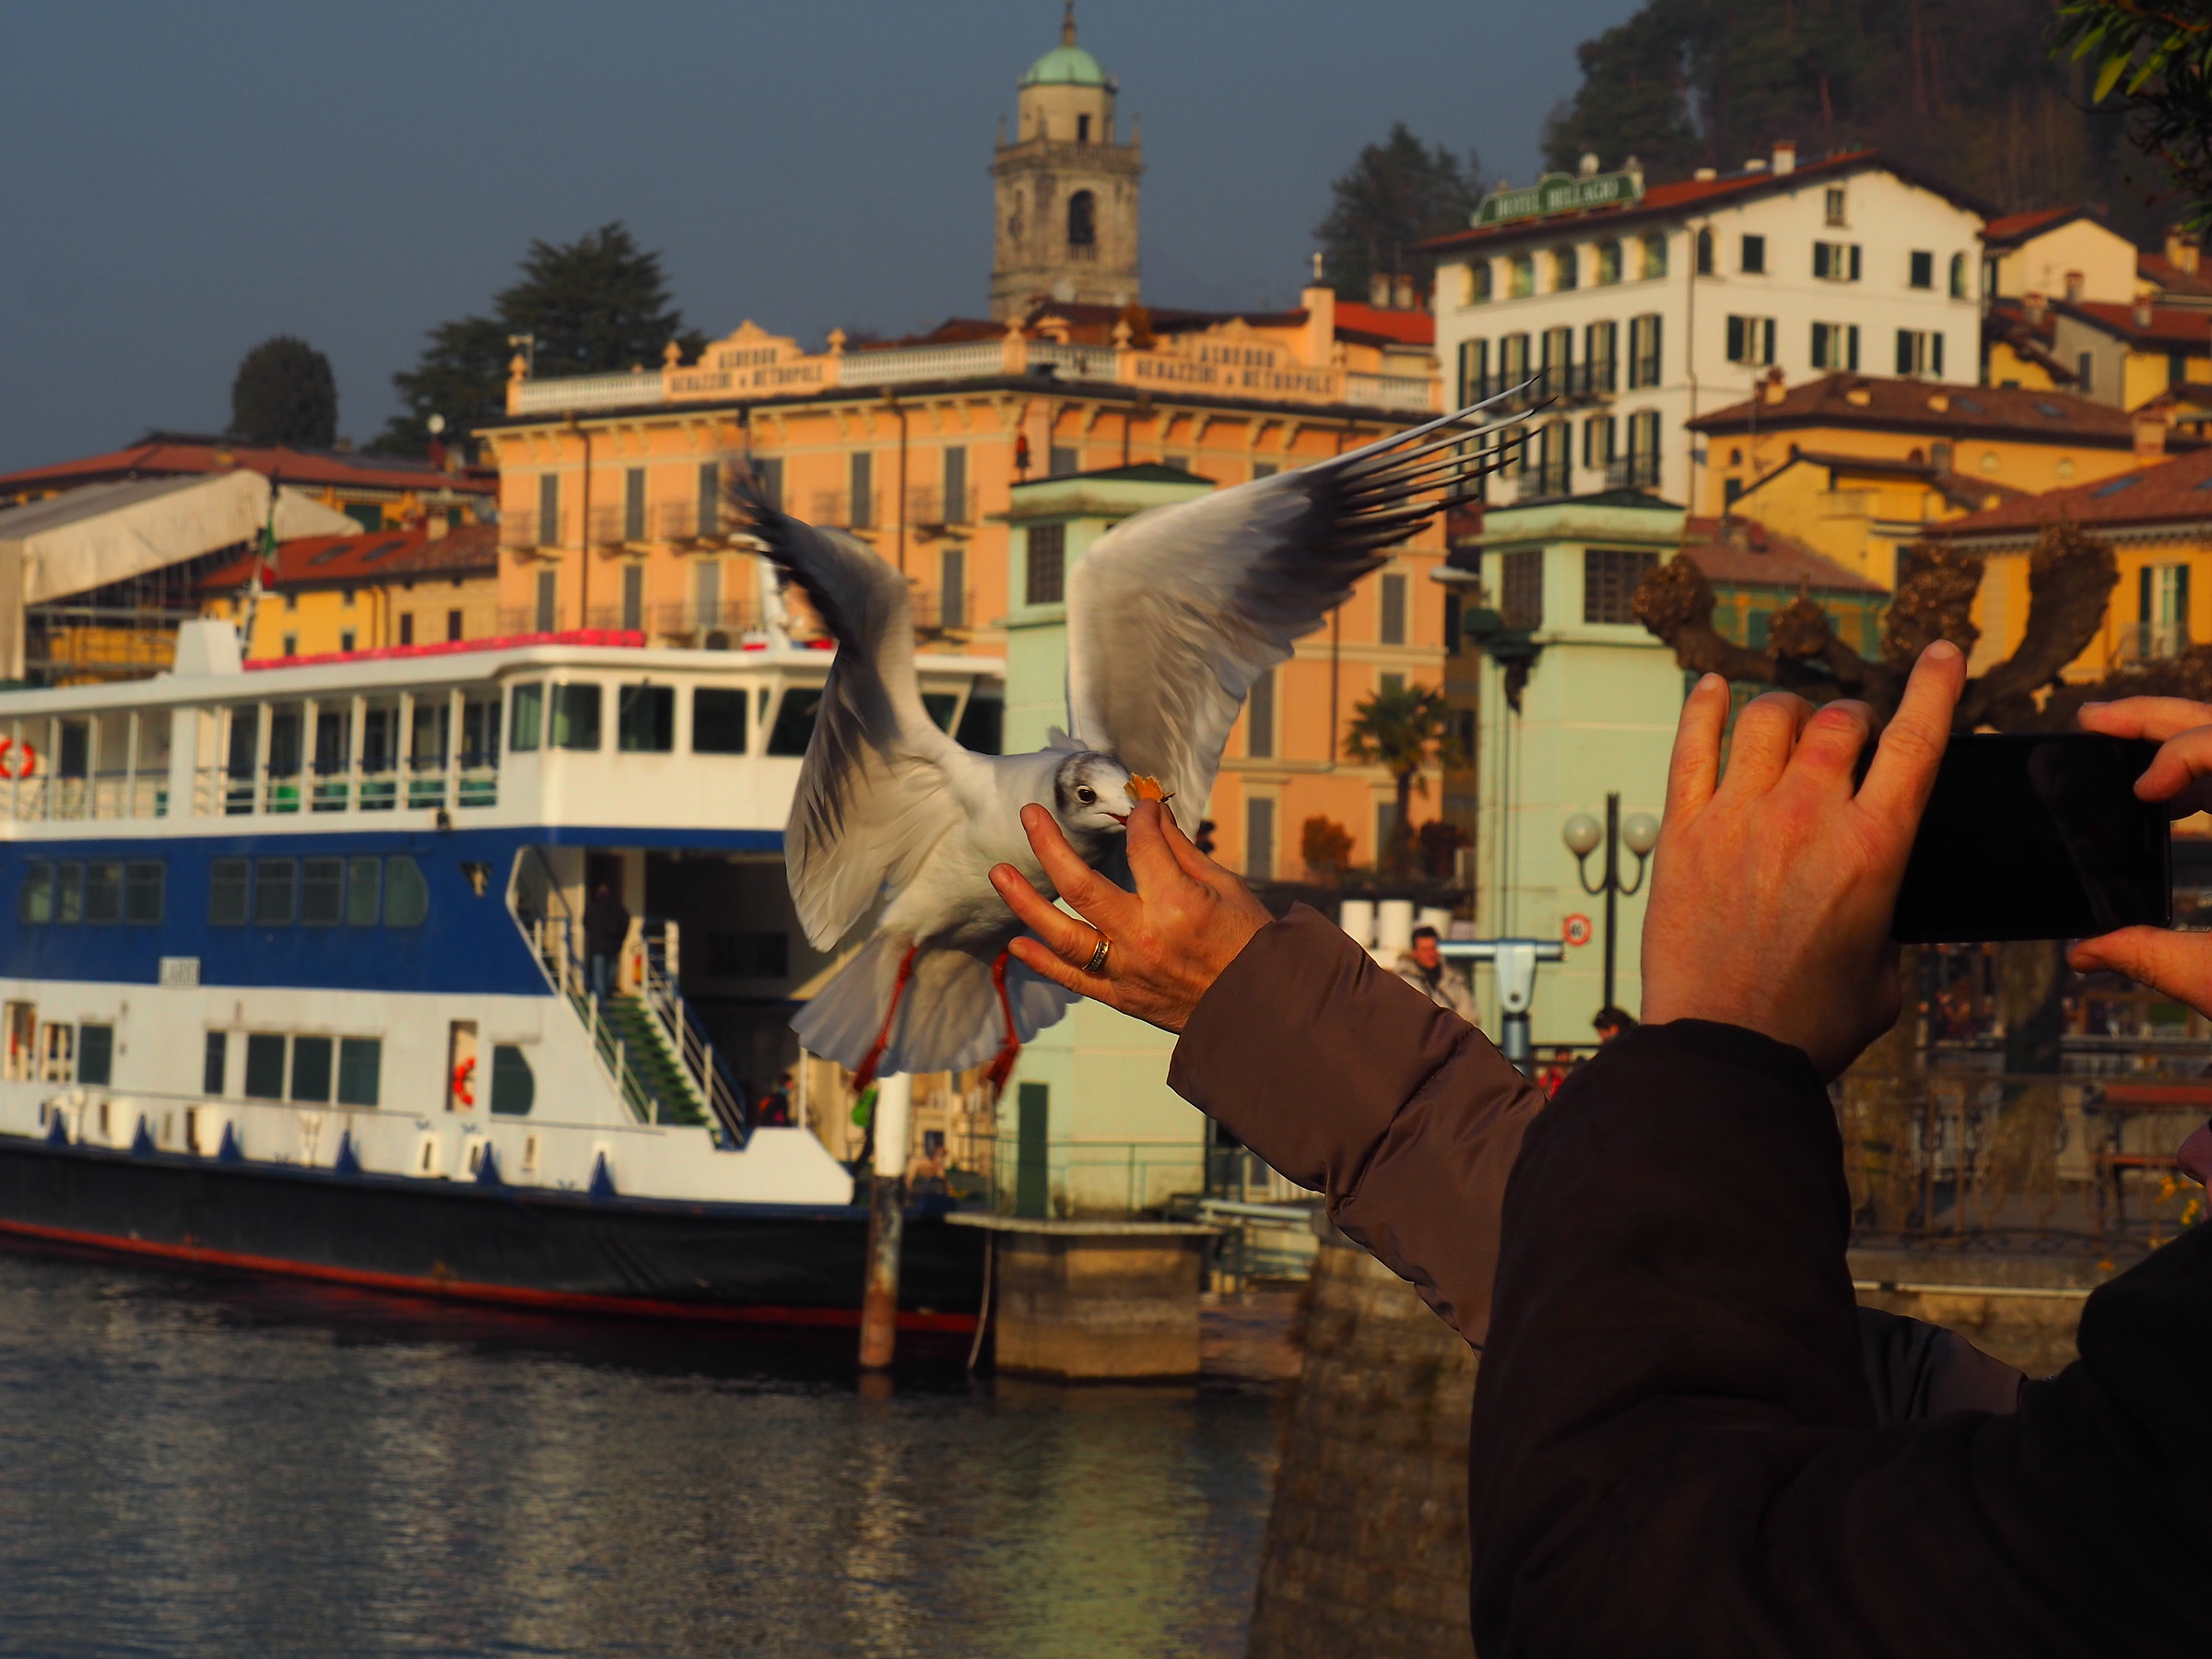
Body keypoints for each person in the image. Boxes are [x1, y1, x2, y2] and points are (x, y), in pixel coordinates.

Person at [988, 643, 2210, 1653]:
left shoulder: (2146, 1506)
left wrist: (1730, 1035)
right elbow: (1717, 1353)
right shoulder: (2120, 1473)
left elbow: (1640, 1575)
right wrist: (1259, 1003)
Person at [1394, 924, 1479, 1023]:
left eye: (1433, 948)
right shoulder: (1402, 984)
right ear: (1414, 953)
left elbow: (1470, 1019)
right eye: (1425, 950)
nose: (1431, 954)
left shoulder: (1454, 983)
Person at [582, 881, 629, 1003]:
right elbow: (626, 922)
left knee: (599, 973)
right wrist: (621, 938)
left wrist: (593, 934)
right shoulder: (618, 908)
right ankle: (609, 992)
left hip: (598, 945)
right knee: (611, 971)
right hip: (614, 945)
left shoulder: (592, 907)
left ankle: (601, 999)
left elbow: (586, 923)